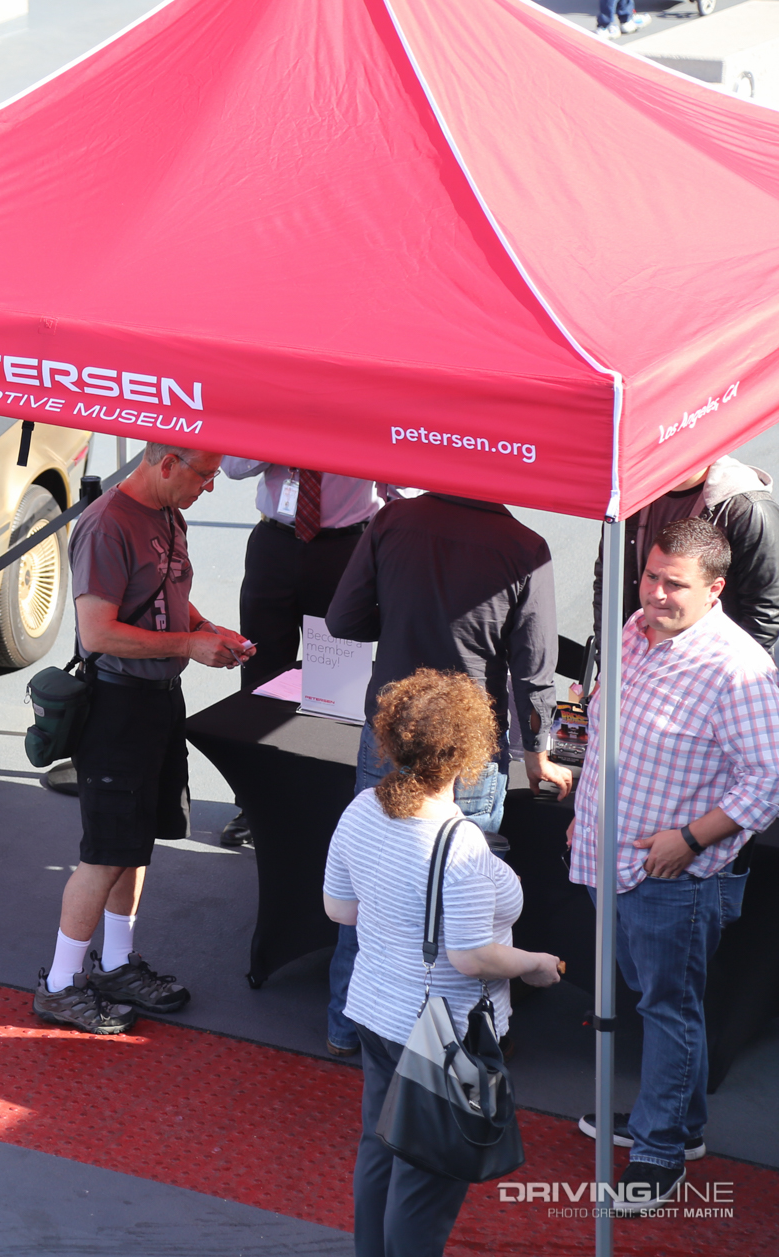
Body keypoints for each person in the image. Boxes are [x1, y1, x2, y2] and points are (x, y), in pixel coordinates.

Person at [569, 517, 779, 1214]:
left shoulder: (739, 668)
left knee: (668, 1011)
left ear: (715, 589)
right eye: (651, 575)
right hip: (611, 859)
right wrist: (585, 809)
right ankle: (676, 1125)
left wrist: (687, 840)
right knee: (652, 999)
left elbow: (766, 782)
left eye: (673, 583)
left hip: (675, 880)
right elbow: (608, 727)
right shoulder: (635, 629)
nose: (655, 593)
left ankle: (659, 1151)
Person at [321, 493, 571, 1058]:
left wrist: (406, 610)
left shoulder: (392, 520)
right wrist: (538, 754)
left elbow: (343, 619)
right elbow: (536, 671)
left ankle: (346, 1024)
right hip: (471, 751)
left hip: (390, 733)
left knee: (370, 876)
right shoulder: (526, 548)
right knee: (468, 899)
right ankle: (457, 1043)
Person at [324, 669, 561, 1257]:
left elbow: (339, 910)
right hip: (436, 1034)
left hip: (375, 1014)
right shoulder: (459, 844)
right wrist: (534, 963)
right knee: (425, 1182)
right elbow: (471, 956)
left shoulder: (361, 810)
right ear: (468, 752)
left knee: (380, 1149)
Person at [30, 443, 254, 1034]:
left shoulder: (167, 513)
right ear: (166, 463)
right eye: (205, 475)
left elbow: (164, 594)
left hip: (157, 701)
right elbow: (98, 633)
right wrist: (189, 645)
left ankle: (117, 963)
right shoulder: (107, 525)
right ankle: (58, 985)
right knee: (103, 853)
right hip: (117, 707)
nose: (211, 487)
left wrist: (204, 628)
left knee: (135, 844)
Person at [217, 460, 402, 846]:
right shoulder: (275, 399)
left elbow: (404, 482)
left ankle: (331, 801)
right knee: (260, 678)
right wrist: (281, 436)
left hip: (347, 548)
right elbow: (233, 467)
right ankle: (255, 804)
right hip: (275, 543)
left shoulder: (371, 402)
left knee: (341, 685)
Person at [592, 455, 779, 653]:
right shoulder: (629, 496)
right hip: (637, 661)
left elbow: (765, 612)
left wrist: (718, 675)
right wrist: (606, 662)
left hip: (706, 669)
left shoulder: (746, 510)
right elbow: (607, 584)